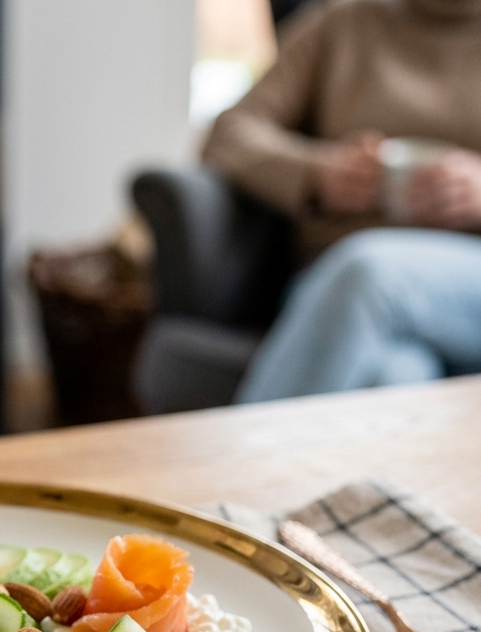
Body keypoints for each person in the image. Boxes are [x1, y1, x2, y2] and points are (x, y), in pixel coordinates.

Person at [202, 0, 481, 403]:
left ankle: (240, 460)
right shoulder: (341, 24)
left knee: (370, 271)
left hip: (458, 275)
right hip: (333, 285)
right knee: (397, 374)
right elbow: (229, 133)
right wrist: (316, 174)